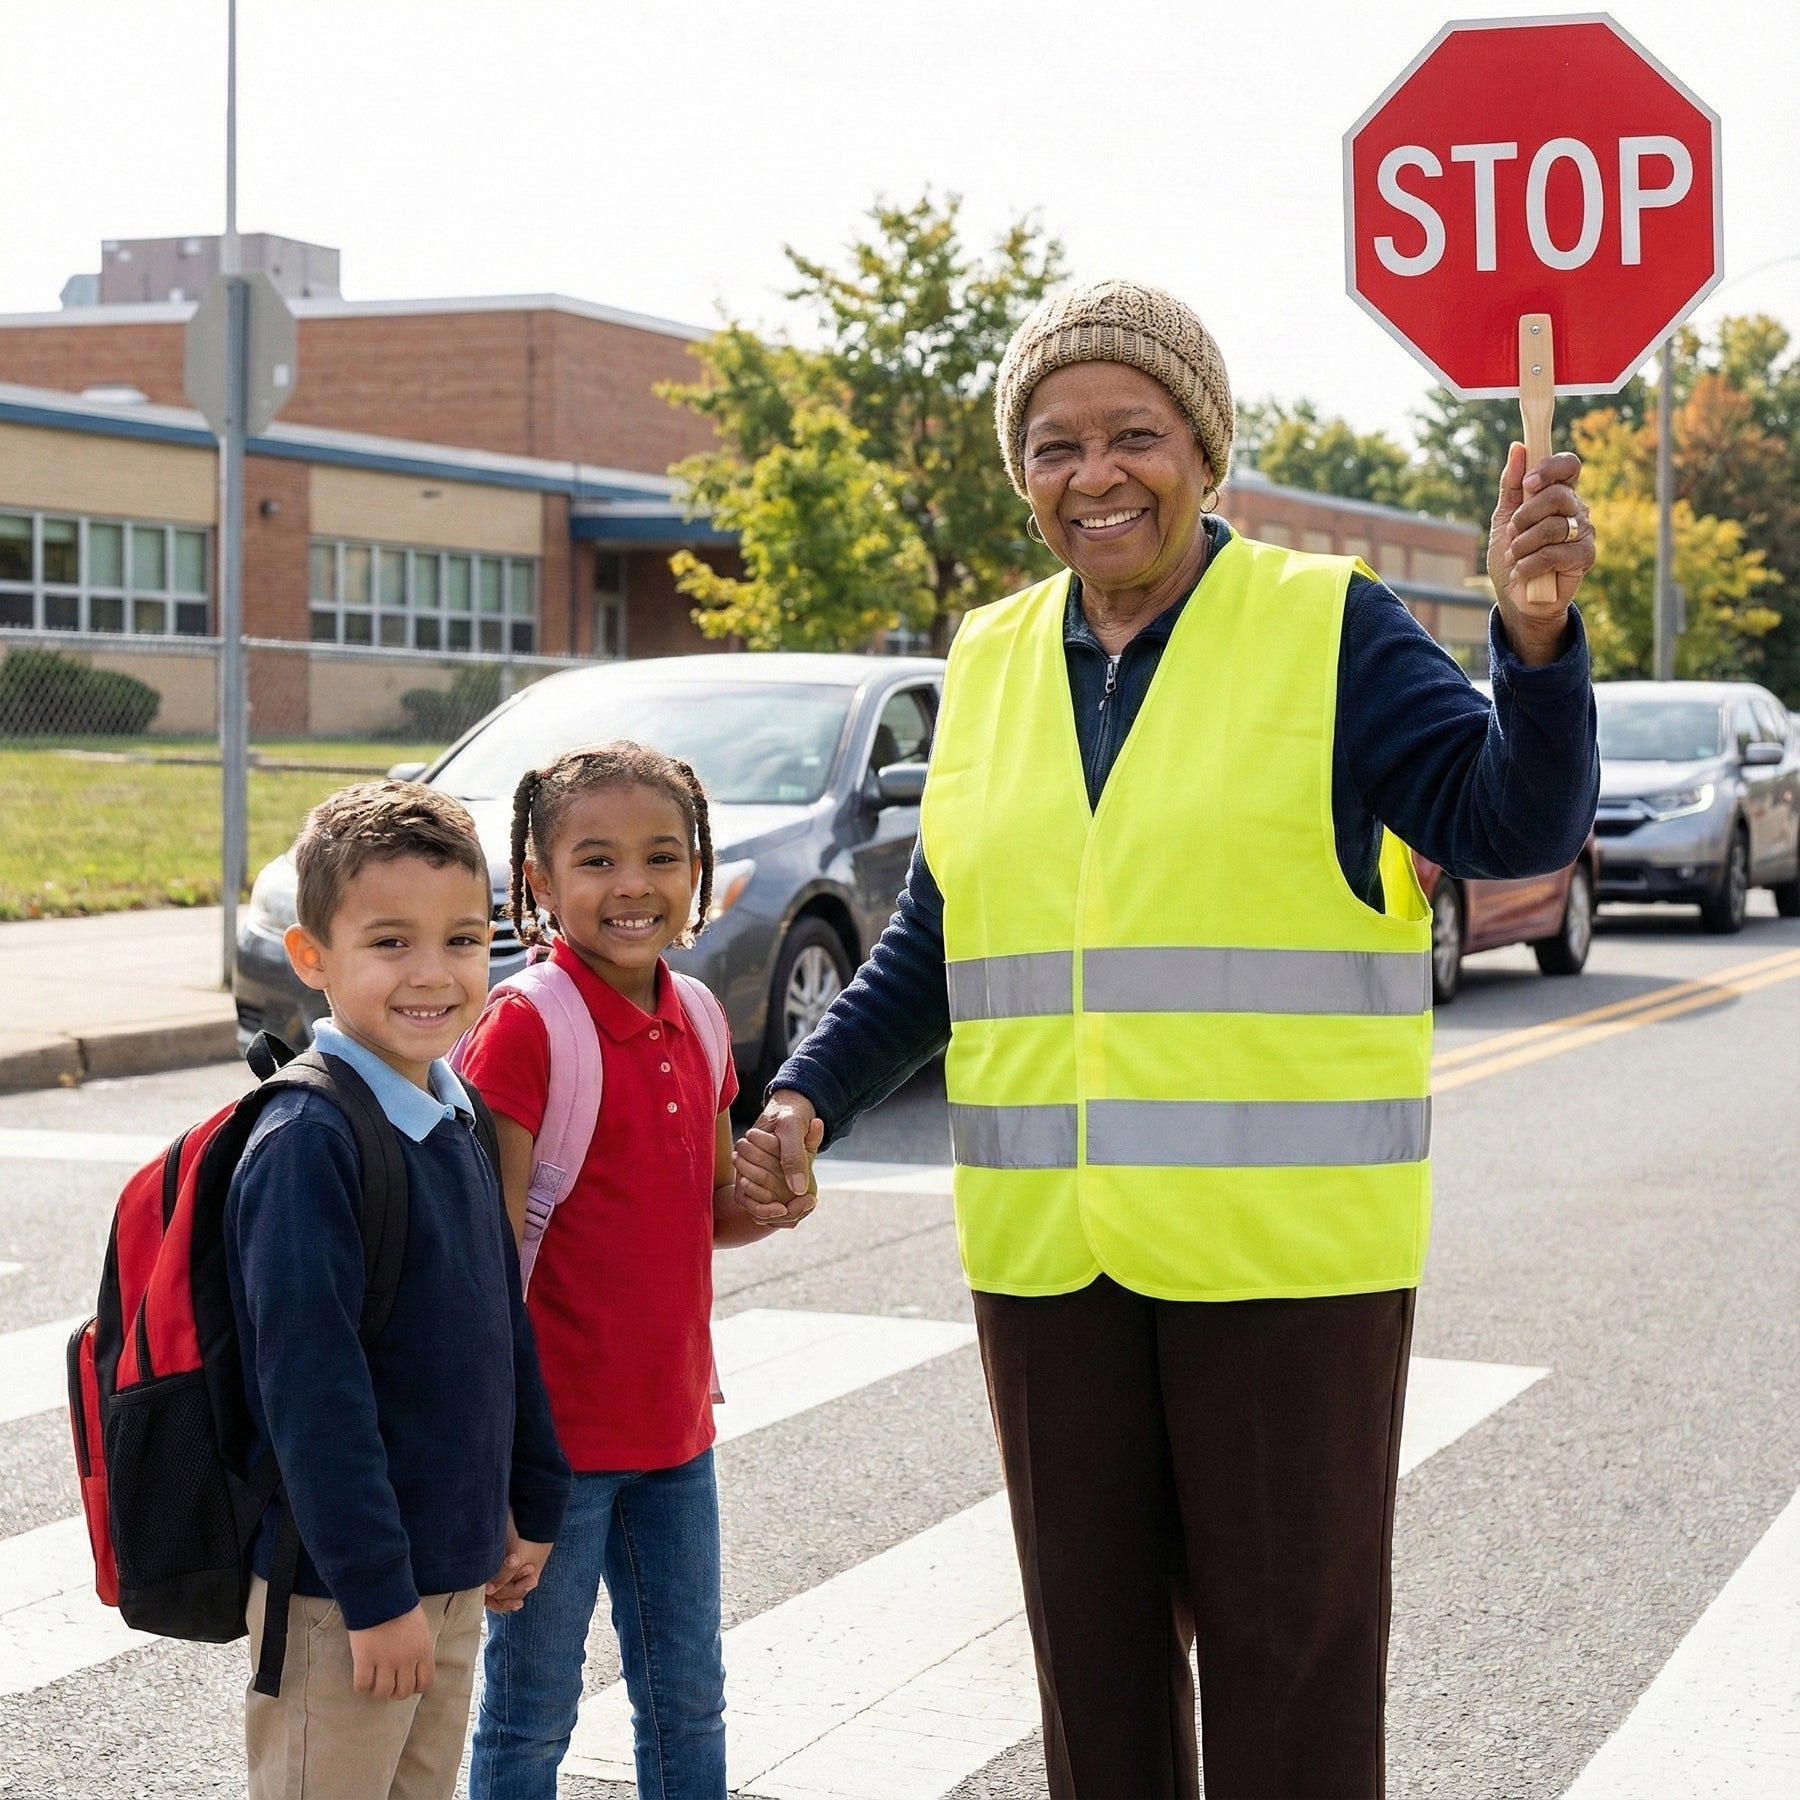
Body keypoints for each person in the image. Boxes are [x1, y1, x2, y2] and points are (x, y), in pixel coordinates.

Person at [736, 278, 1599, 1799]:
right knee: (1094, 1678)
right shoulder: (989, 656)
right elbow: (943, 937)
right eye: (1056, 445)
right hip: (1047, 1265)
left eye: (1134, 432)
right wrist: (806, 1098)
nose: (1097, 474)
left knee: (1290, 1678)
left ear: (1205, 449)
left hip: (1286, 1263)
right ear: (1024, 475)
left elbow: (1513, 823)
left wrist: (1533, 642)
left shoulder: (1330, 626)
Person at [458, 742, 810, 1800]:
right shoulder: (525, 1027)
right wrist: (496, 1467)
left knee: (687, 1699)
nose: (633, 885)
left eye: (662, 856)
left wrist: (774, 1197)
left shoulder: (698, 1014)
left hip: (674, 1433)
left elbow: (710, 1211)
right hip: (552, 1450)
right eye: (597, 859)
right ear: (538, 878)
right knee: (530, 1714)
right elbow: (483, 1263)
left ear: (698, 870)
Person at [226, 781, 571, 1800]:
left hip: (454, 1570)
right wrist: (377, 1597)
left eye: (461, 940)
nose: (432, 973)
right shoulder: (308, 1142)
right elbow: (312, 1396)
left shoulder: (454, 1113)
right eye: (390, 943)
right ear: (311, 957)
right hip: (345, 1596)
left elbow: (499, 1327)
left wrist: (531, 1495)